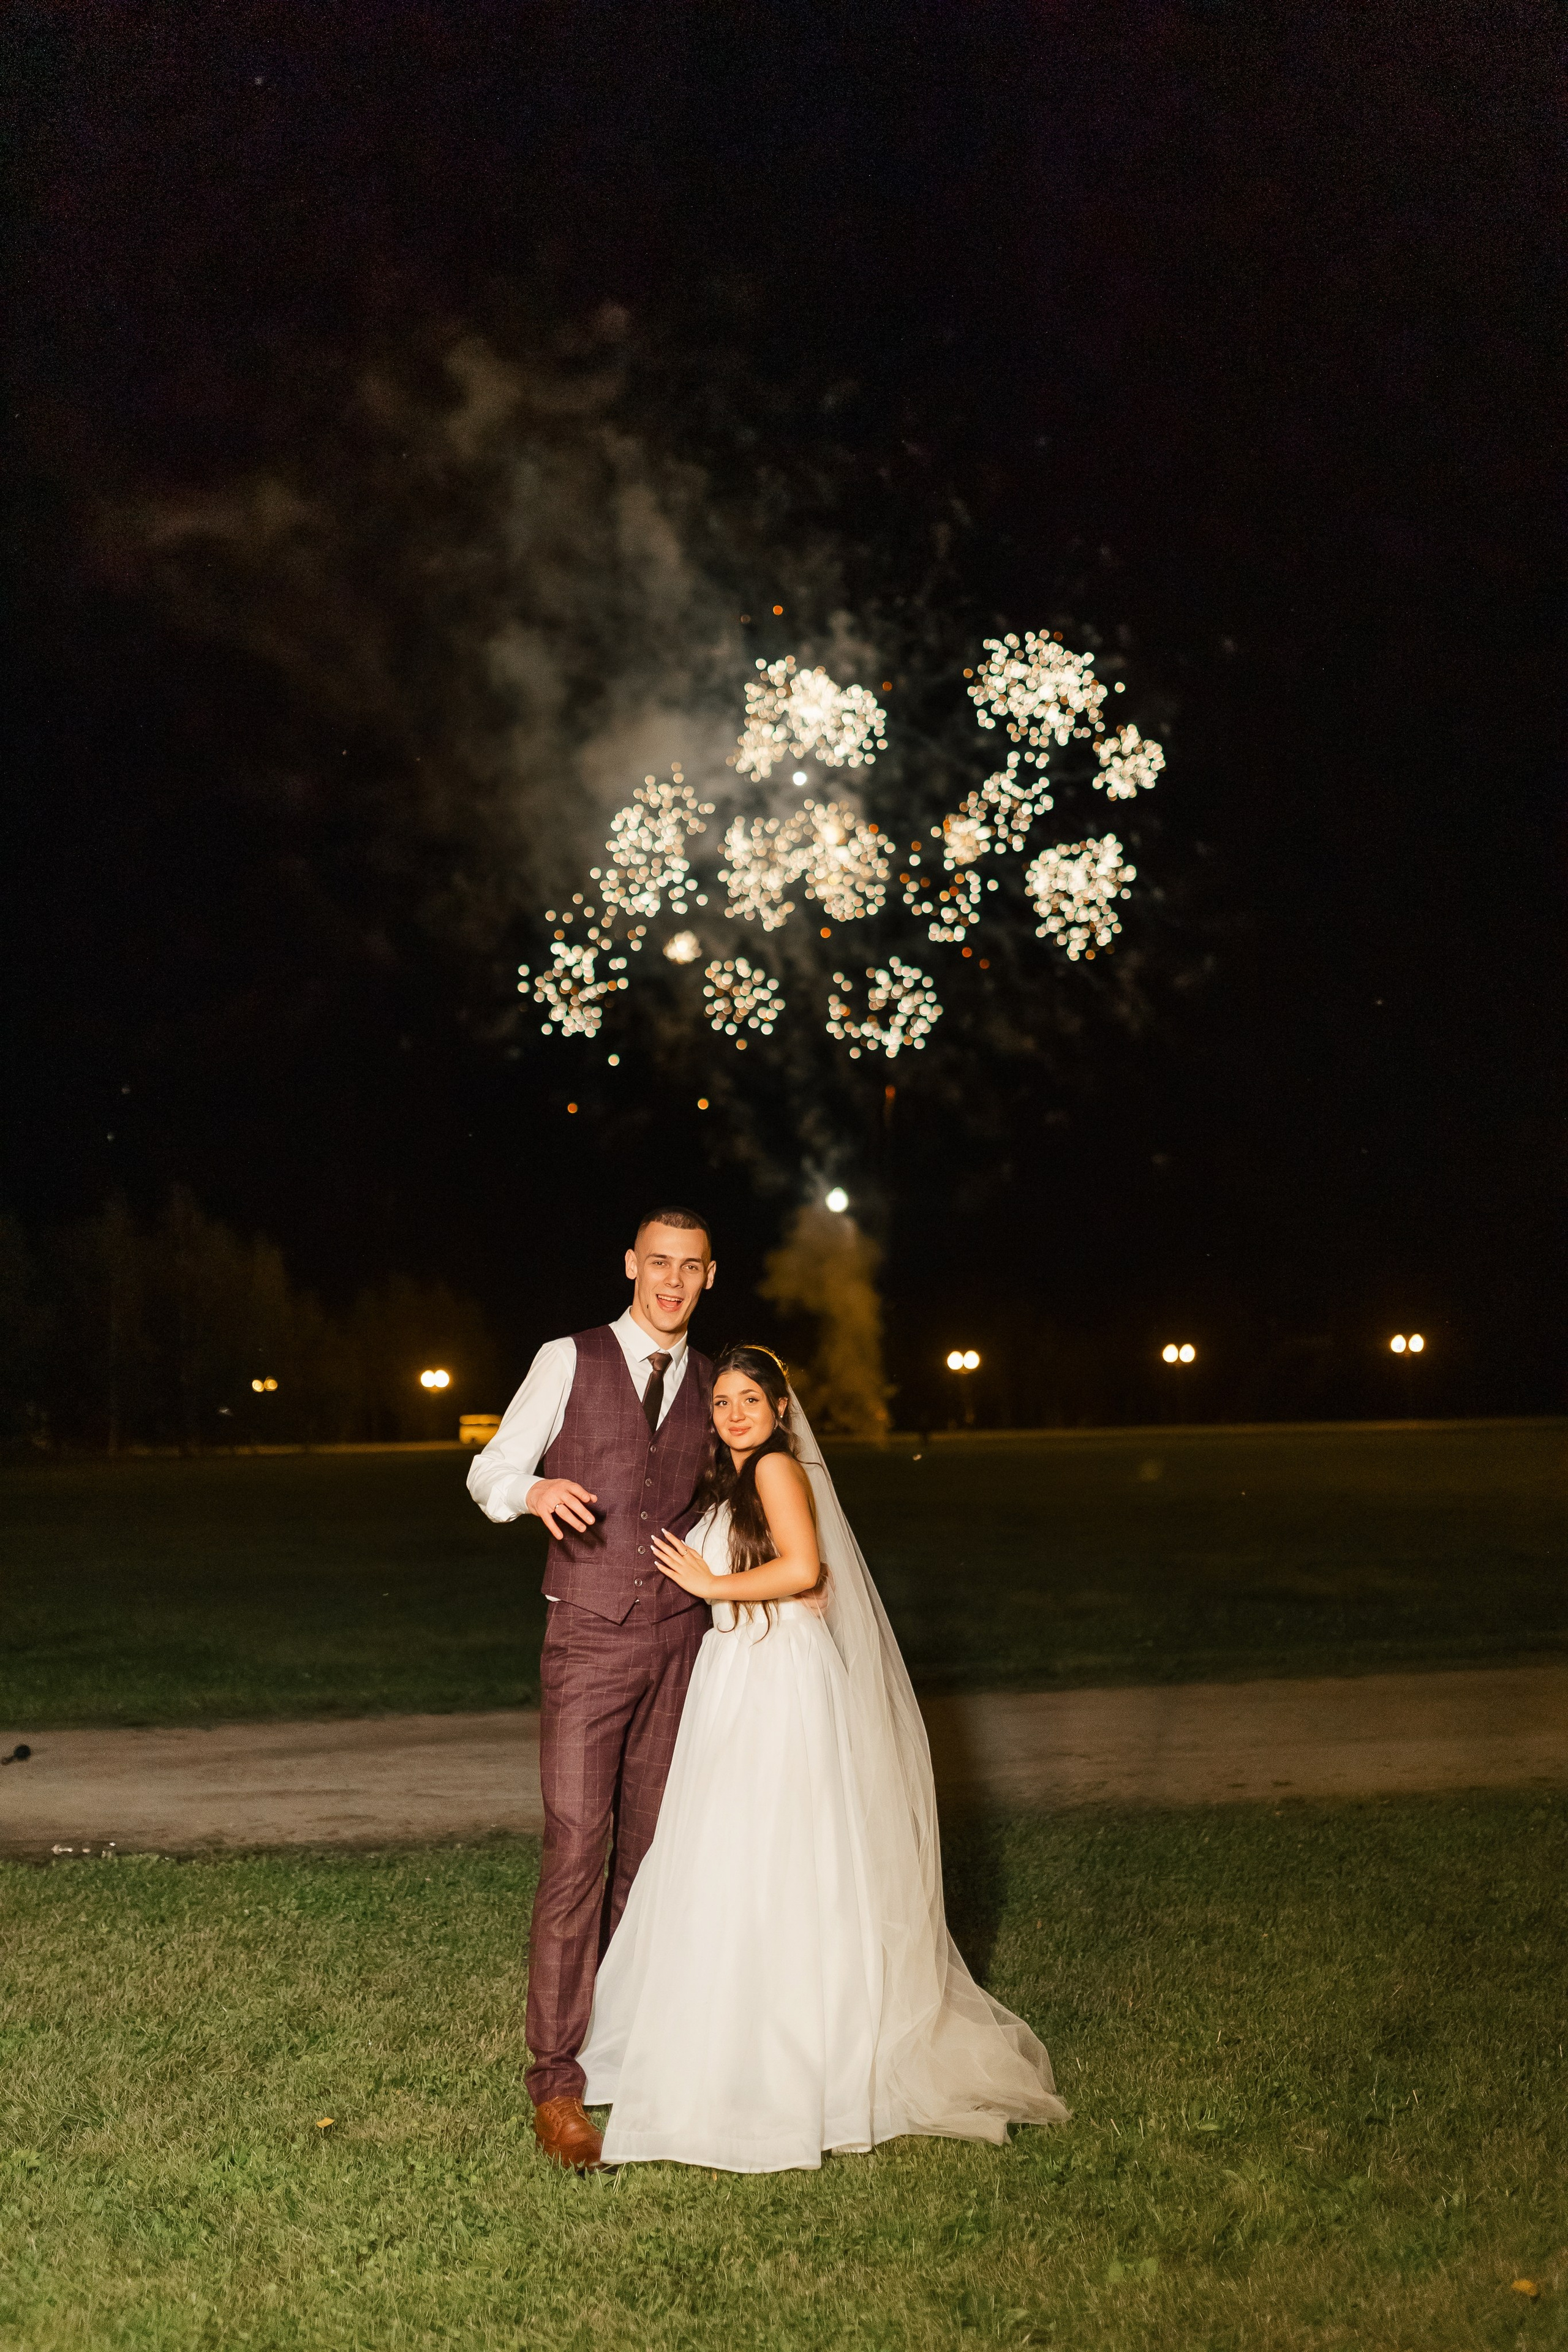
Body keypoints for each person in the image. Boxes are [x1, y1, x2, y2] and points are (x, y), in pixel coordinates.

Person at [578, 1344, 1068, 2171]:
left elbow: (806, 1568)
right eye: (722, 1401)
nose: (735, 1414)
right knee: (730, 1853)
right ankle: (728, 2045)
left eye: (750, 1399)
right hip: (737, 1667)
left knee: (777, 1853)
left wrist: (711, 1587)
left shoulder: (775, 1468)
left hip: (774, 1674)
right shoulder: (733, 1479)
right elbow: (793, 1574)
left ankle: (795, 2060)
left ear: (780, 1408)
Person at [466, 1208, 717, 2173]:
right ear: (629, 1265)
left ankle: (623, 2046)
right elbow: (491, 1467)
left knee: (649, 1857)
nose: (671, 1281)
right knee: (577, 1849)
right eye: (657, 1263)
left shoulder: (716, 1381)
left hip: (683, 1643)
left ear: (709, 1277)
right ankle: (558, 2084)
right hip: (586, 1637)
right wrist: (532, 1492)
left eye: (689, 1267)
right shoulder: (568, 1358)